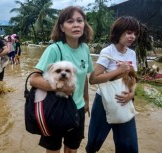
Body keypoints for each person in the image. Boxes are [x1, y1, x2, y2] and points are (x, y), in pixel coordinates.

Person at [29, 6, 94, 153]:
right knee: (53, 150)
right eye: (70, 21)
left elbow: (83, 77)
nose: (76, 25)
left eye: (80, 21)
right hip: (55, 108)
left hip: (77, 107)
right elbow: (34, 79)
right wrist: (61, 87)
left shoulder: (85, 48)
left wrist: (86, 100)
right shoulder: (54, 49)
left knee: (72, 148)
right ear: (62, 28)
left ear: (84, 24)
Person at [85, 16, 140, 153]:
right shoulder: (107, 52)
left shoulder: (132, 54)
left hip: (124, 100)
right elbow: (93, 79)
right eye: (128, 32)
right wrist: (118, 71)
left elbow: (134, 78)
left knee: (129, 145)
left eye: (134, 33)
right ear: (119, 32)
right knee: (94, 141)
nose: (132, 36)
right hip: (104, 101)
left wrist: (132, 93)